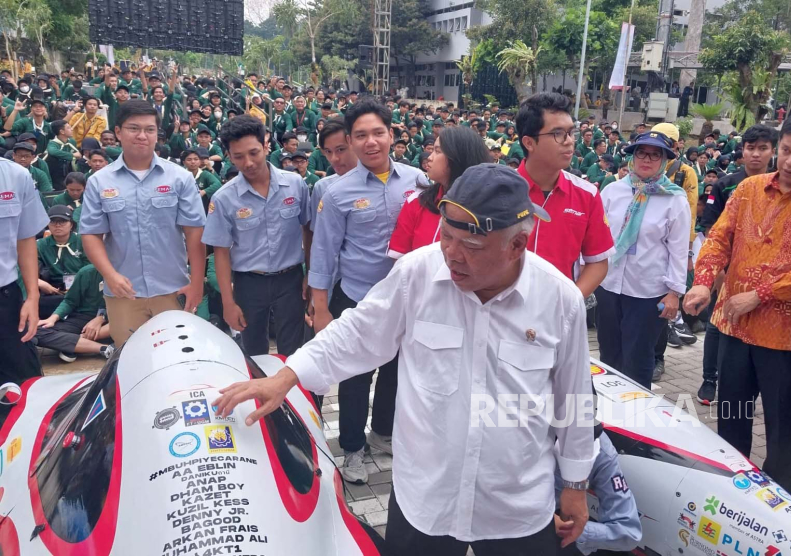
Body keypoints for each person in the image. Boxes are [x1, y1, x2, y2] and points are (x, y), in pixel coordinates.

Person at [213, 163, 595, 556]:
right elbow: (359, 332)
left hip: (515, 504)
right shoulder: (417, 274)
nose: (452, 254)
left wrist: (576, 484)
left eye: (472, 247)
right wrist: (288, 374)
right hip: (426, 497)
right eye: (447, 236)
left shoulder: (559, 299)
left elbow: (574, 397)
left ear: (516, 245)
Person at [684, 112, 791, 493]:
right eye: (785, 151)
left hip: (787, 339)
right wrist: (703, 283)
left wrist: (761, 294)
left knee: (783, 426)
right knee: (732, 417)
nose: (790, 162)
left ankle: (776, 503)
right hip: (734, 328)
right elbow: (718, 239)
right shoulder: (749, 189)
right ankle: (734, 493)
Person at [308, 99, 428, 483]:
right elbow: (323, 254)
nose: (371, 141)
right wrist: (321, 308)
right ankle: (352, 449)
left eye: (378, 132)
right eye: (361, 135)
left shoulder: (419, 182)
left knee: (396, 372)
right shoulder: (338, 193)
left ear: (392, 135)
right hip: (358, 297)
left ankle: (382, 433)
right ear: (351, 141)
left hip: (407, 299)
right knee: (355, 377)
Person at [79, 99, 206, 347]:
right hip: (124, 294)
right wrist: (110, 275)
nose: (142, 136)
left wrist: (196, 283)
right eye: (133, 128)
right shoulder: (99, 182)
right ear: (118, 132)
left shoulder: (179, 178)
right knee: (130, 360)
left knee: (177, 360)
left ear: (158, 134)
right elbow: (91, 235)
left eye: (149, 129)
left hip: (173, 290)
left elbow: (195, 234)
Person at [202, 115, 310, 357]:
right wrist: (228, 303)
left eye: (254, 153)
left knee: (294, 351)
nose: (248, 162)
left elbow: (308, 230)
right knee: (254, 351)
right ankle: (259, 395)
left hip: (290, 280)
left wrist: (309, 274)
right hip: (249, 283)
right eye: (238, 157)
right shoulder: (224, 198)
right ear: (228, 155)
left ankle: (292, 395)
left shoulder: (295, 185)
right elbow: (220, 252)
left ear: (265, 145)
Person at [596, 131, 691, 388]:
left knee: (637, 359)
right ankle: (609, 418)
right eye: (641, 152)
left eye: (655, 154)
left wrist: (674, 293)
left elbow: (679, 250)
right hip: (608, 285)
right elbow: (597, 235)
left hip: (648, 292)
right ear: (632, 156)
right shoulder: (613, 191)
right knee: (609, 355)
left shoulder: (674, 199)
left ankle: (635, 418)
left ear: (664, 161)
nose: (646, 159)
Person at [696, 125, 778, 405]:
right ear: (742, 150)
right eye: (750, 147)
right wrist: (718, 273)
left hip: (764, 276)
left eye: (762, 148)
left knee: (753, 327)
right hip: (727, 270)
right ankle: (709, 380)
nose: (755, 154)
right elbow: (711, 229)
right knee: (715, 326)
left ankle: (749, 387)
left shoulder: (782, 187)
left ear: (773, 151)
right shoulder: (725, 184)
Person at [516, 93, 615, 297]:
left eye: (571, 133)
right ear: (529, 142)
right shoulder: (498, 191)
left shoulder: (586, 195)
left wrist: (570, 303)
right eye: (558, 134)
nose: (569, 142)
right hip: (502, 311)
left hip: (558, 316)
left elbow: (598, 262)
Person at [388, 125, 491, 259]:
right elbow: (399, 260)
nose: (429, 158)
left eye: (437, 151)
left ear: (457, 157)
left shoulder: (489, 209)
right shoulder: (417, 202)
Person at [0, 156, 48, 404]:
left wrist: (32, 296)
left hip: (6, 300)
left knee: (23, 389)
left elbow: (26, 238)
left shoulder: (16, 176)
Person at [553, 432, 642, 555]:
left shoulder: (601, 449)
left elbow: (628, 532)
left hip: (555, 526)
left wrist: (565, 528)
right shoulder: (524, 432)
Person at [36, 263, 113, 362]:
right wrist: (53, 318)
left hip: (113, 319)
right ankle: (105, 348)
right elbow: (70, 301)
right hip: (82, 317)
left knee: (131, 322)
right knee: (35, 332)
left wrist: (101, 317)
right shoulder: (87, 272)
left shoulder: (131, 272)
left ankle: (75, 344)